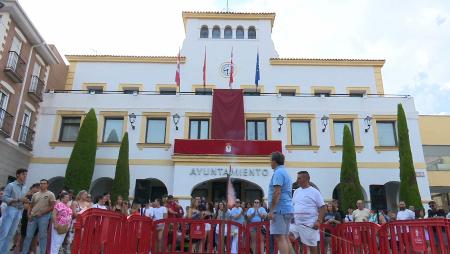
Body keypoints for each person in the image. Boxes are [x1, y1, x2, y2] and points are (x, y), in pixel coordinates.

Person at [291, 171, 326, 254]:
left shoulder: (314, 192)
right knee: (287, 237)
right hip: (296, 223)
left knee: (312, 246)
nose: (297, 180)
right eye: (297, 178)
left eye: (299, 178)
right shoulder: (296, 191)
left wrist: (319, 221)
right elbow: (293, 205)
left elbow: (323, 207)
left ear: (306, 179)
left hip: (309, 224)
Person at [267, 152, 294, 254]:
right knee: (285, 238)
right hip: (287, 208)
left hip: (279, 209)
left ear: (274, 162)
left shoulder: (278, 173)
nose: (270, 163)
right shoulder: (285, 172)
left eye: (270, 161)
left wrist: (271, 211)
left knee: (280, 237)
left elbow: (277, 192)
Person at [22, 178, 56, 254]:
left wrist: (42, 213)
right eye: (41, 183)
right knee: (28, 236)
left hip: (43, 218)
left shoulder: (51, 194)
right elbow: (31, 205)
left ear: (47, 185)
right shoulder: (35, 194)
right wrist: (29, 214)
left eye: (44, 183)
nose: (42, 185)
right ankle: (24, 252)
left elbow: (52, 206)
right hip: (33, 217)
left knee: (42, 237)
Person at [0, 169, 28, 253]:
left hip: (19, 211)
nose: (25, 176)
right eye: (23, 174)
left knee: (11, 234)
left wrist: (25, 201)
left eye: (26, 174)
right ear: (17, 175)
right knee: (4, 233)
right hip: (11, 209)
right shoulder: (11, 185)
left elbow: (22, 200)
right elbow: (4, 198)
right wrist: (18, 199)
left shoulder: (24, 187)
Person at [17, 183, 40, 253]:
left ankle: (30, 251)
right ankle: (21, 250)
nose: (37, 189)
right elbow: (26, 207)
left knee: (33, 237)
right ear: (33, 188)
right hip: (26, 218)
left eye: (38, 188)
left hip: (35, 219)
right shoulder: (28, 196)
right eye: (36, 188)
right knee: (23, 235)